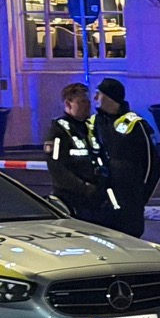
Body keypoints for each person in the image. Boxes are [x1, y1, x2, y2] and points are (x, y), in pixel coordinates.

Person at [93, 77, 160, 238]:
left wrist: (140, 196)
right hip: (102, 203)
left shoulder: (135, 124)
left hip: (129, 203)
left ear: (110, 97)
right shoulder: (94, 122)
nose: (95, 98)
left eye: (99, 94)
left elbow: (153, 164)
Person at [45, 82, 110, 224]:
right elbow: (56, 167)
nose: (86, 106)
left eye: (87, 101)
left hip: (96, 196)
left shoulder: (91, 127)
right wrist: (83, 187)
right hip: (71, 198)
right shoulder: (59, 129)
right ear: (68, 104)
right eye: (81, 102)